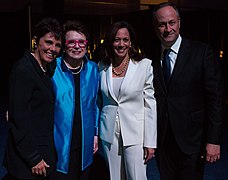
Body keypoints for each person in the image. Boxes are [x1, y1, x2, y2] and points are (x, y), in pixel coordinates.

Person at [151, 2, 224, 180]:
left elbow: (215, 99)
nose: (167, 29)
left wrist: (213, 140)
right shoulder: (150, 57)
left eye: (171, 22)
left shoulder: (201, 52)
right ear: (155, 27)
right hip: (163, 142)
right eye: (162, 24)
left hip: (193, 142)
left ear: (179, 23)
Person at [4, 17, 62, 179]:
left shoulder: (46, 67)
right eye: (48, 42)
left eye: (57, 45)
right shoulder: (24, 69)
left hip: (43, 149)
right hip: (29, 158)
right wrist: (33, 158)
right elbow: (18, 118)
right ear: (36, 41)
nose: (53, 48)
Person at [98, 21, 157, 180]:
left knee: (136, 177)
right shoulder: (102, 67)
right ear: (110, 42)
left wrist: (150, 142)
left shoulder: (144, 65)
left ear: (131, 42)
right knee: (114, 177)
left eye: (125, 40)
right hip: (109, 133)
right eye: (117, 40)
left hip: (136, 133)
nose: (121, 44)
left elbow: (150, 105)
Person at [49, 20, 100, 180]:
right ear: (64, 45)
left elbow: (96, 104)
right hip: (58, 141)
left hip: (85, 140)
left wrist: (95, 133)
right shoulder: (52, 68)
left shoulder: (93, 69)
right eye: (71, 42)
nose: (77, 46)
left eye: (81, 42)